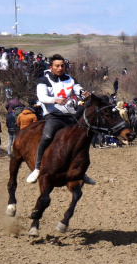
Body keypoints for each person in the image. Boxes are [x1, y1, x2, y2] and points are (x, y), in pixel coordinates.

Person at [26, 54, 95, 185]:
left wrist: (83, 93)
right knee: (47, 137)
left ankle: (81, 171)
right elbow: (42, 97)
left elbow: (77, 89)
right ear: (51, 67)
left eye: (62, 66)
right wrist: (55, 100)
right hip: (53, 115)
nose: (60, 68)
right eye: (57, 66)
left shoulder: (70, 79)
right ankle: (37, 168)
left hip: (70, 115)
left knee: (82, 139)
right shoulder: (43, 81)